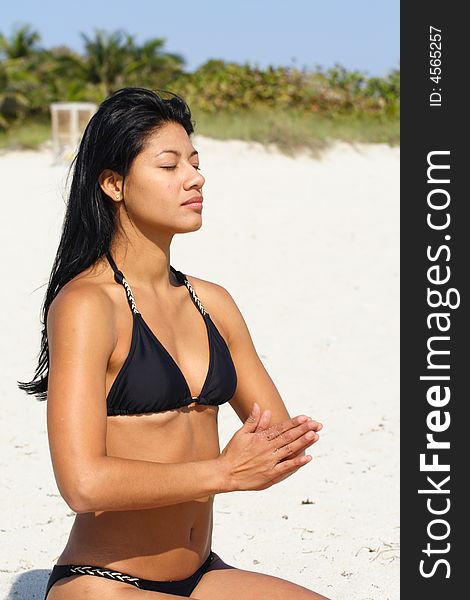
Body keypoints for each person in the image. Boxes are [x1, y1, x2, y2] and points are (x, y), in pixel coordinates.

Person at [18, 87, 328, 600]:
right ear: (114, 184)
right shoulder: (87, 306)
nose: (194, 177)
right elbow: (82, 484)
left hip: (202, 572)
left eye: (195, 162)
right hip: (106, 584)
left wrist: (277, 450)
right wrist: (224, 471)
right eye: (169, 166)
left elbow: (270, 437)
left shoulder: (213, 302)